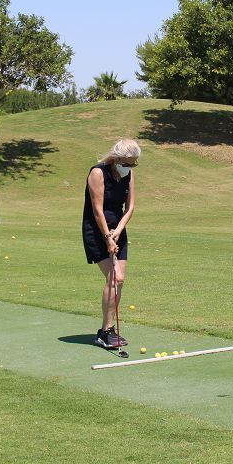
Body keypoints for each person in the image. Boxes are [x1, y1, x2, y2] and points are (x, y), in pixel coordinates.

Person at [82, 139, 140, 349]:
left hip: (118, 229)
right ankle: (105, 331)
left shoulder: (129, 174)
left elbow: (130, 206)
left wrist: (120, 229)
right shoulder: (97, 173)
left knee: (120, 279)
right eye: (127, 163)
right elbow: (97, 210)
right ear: (116, 159)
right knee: (114, 278)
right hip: (97, 230)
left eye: (134, 164)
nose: (130, 168)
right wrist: (108, 237)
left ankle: (109, 330)